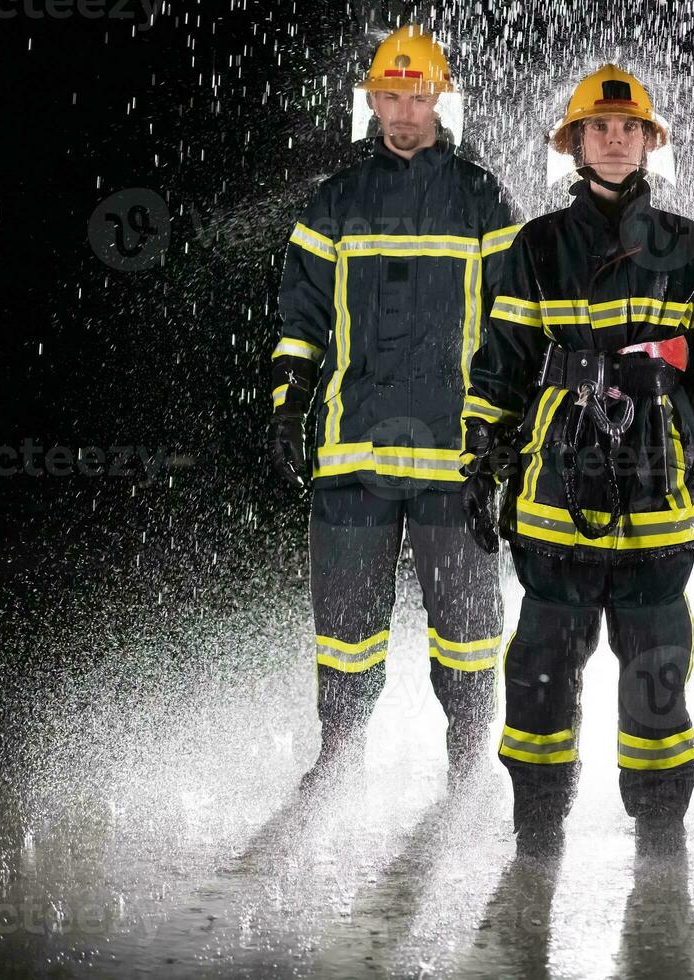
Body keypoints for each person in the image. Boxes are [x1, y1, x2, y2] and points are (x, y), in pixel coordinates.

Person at [460, 64, 694, 854]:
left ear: (650, 143)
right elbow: (504, 360)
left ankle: (661, 829)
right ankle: (537, 827)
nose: (615, 140)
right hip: (557, 489)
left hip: (658, 489)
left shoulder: (691, 249)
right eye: (600, 128)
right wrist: (481, 455)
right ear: (577, 143)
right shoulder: (539, 246)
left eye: (629, 129)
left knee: (658, 663)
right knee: (542, 664)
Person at [269, 25, 518, 795]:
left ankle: (469, 764)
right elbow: (299, 318)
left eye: (417, 96)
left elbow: (513, 323)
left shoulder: (481, 196)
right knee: (344, 628)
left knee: (470, 630)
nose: (403, 112)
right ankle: (339, 755)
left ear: (439, 97)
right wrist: (287, 407)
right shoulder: (335, 202)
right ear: (370, 101)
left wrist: (502, 432)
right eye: (388, 96)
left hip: (456, 456)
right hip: (354, 453)